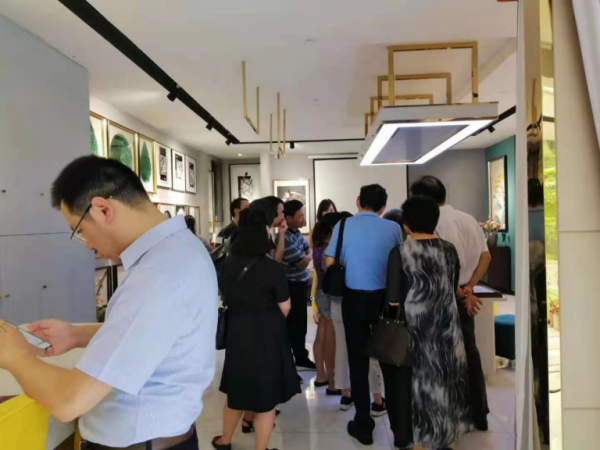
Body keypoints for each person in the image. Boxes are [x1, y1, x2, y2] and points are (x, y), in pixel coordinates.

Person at [0, 156, 216, 449]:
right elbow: (154, 333)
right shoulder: (182, 248)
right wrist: (76, 335)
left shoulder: (155, 276)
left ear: (103, 209)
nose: (88, 245)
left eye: (80, 231)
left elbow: (69, 401)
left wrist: (14, 356)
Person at [386, 195, 473, 449]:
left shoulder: (400, 252)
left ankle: (419, 443)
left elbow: (393, 300)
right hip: (448, 329)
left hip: (416, 331)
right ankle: (447, 438)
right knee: (446, 380)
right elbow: (452, 286)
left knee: (419, 384)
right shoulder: (449, 249)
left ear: (406, 224)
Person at [212, 208, 300, 450]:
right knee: (266, 398)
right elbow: (285, 306)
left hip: (238, 332)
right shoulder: (272, 268)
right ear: (264, 233)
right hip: (268, 336)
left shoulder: (226, 264)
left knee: (236, 390)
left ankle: (224, 441)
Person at [410, 175, 491, 431]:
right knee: (470, 353)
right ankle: (479, 414)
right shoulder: (468, 219)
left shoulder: (430, 226)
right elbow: (486, 257)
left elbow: (439, 269)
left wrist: (461, 293)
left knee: (444, 360)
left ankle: (451, 418)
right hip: (463, 296)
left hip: (443, 300)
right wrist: (469, 289)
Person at [325, 184, 401, 445]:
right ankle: (399, 429)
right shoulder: (393, 228)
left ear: (358, 201)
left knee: (358, 363)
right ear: (383, 207)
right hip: (386, 302)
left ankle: (363, 424)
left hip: (353, 300)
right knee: (389, 362)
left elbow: (330, 262)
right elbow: (399, 263)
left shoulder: (343, 225)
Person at [314, 212, 387, 413]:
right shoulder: (355, 246)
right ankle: (377, 399)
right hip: (357, 301)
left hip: (336, 302)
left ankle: (346, 395)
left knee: (342, 349)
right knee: (369, 349)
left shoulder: (328, 248)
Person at [281, 200, 316, 371]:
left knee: (301, 323)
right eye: (300, 216)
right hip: (291, 286)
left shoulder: (297, 234)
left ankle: (301, 355)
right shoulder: (285, 238)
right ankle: (294, 357)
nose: (303, 219)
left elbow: (309, 250)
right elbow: (302, 263)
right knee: (294, 324)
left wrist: (306, 255)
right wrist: (307, 256)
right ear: (288, 218)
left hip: (301, 284)